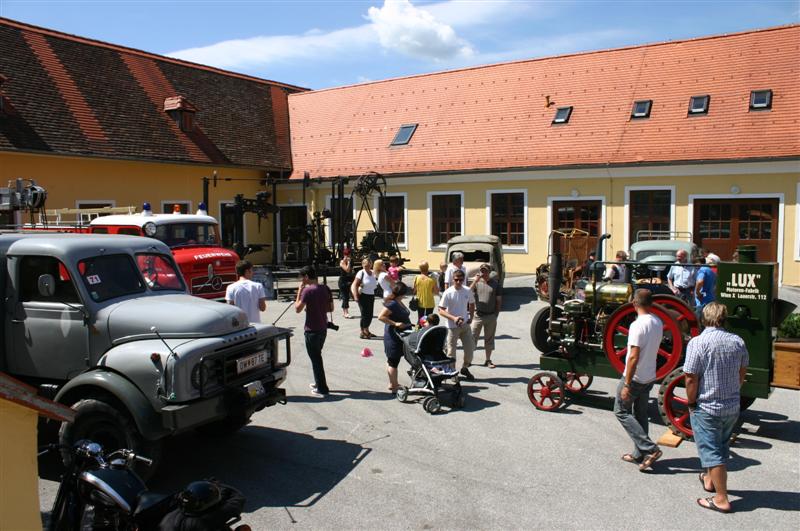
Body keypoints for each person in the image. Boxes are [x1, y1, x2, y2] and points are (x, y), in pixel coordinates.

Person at [684, 303, 749, 514]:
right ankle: (710, 481)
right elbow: (741, 374)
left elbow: (690, 378)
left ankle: (721, 498)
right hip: (731, 406)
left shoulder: (698, 342)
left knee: (711, 452)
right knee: (720, 446)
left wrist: (691, 401)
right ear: (724, 319)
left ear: (704, 319)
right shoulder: (737, 341)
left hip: (708, 406)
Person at [615, 289, 663, 471]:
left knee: (620, 411)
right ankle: (639, 454)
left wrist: (627, 383)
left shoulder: (637, 325)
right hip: (649, 376)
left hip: (635, 378)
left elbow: (633, 356)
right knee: (640, 414)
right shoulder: (658, 322)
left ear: (634, 303)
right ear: (651, 304)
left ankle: (650, 449)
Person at [294, 266, 333, 398]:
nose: (302, 281)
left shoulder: (307, 291)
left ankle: (322, 388)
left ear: (306, 277)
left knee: (316, 359)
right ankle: (318, 383)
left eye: (302, 278)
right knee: (317, 357)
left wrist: (299, 291)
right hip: (323, 328)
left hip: (311, 329)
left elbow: (297, 309)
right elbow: (330, 308)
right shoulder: (325, 288)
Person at [438, 269, 476, 380]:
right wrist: (454, 318)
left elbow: (472, 303)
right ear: (452, 279)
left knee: (470, 350)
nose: (458, 282)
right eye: (456, 280)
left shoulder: (467, 290)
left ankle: (465, 368)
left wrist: (471, 317)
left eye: (460, 280)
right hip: (452, 327)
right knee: (451, 352)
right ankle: (453, 373)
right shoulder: (448, 292)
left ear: (464, 280)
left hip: (465, 325)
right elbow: (441, 310)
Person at [378, 282, 412, 393]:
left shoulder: (398, 301)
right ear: (402, 293)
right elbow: (381, 317)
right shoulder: (392, 303)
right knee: (393, 361)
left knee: (392, 360)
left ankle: (392, 382)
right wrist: (395, 323)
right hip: (393, 336)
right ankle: (394, 386)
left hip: (400, 336)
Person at [471, 263, 503, 368]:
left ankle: (488, 360)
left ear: (489, 272)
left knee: (489, 339)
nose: (483, 273)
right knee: (472, 338)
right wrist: (475, 280)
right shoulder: (476, 283)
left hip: (490, 316)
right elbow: (467, 292)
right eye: (482, 270)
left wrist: (496, 314)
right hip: (478, 316)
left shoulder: (495, 284)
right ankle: (469, 360)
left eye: (485, 271)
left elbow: (498, 300)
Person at [352, 258, 378, 339]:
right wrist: (355, 296)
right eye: (365, 265)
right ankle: (363, 332)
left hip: (371, 295)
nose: (367, 266)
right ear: (362, 265)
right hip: (363, 296)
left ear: (371, 264)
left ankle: (366, 330)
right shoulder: (361, 272)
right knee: (364, 314)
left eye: (369, 264)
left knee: (370, 314)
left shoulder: (373, 273)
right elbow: (355, 284)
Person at [338, 248, 354, 319]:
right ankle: (346, 313)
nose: (348, 256)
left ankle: (345, 312)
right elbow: (347, 270)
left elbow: (351, 270)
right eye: (347, 255)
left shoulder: (350, 261)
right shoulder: (342, 262)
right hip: (343, 282)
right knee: (345, 297)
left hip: (349, 280)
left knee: (347, 296)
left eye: (349, 255)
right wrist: (349, 262)